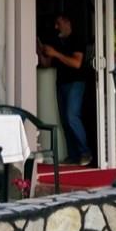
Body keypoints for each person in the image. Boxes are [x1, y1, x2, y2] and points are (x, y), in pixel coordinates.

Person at [39, 13, 91, 166]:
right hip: (61, 83)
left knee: (71, 116)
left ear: (67, 22)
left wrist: (55, 53)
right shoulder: (56, 41)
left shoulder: (77, 38)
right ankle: (73, 156)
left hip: (76, 82)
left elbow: (76, 63)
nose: (56, 27)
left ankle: (85, 153)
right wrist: (40, 49)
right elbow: (46, 64)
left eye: (58, 23)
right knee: (65, 121)